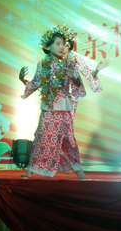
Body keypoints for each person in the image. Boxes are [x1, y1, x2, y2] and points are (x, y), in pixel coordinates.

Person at [19, 26, 86, 179]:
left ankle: (78, 169)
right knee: (42, 137)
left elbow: (78, 85)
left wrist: (72, 77)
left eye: (64, 44)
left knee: (68, 139)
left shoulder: (69, 64)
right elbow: (36, 83)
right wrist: (23, 80)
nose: (62, 47)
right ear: (47, 46)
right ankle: (31, 169)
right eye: (58, 43)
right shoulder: (42, 65)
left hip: (64, 108)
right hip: (48, 107)